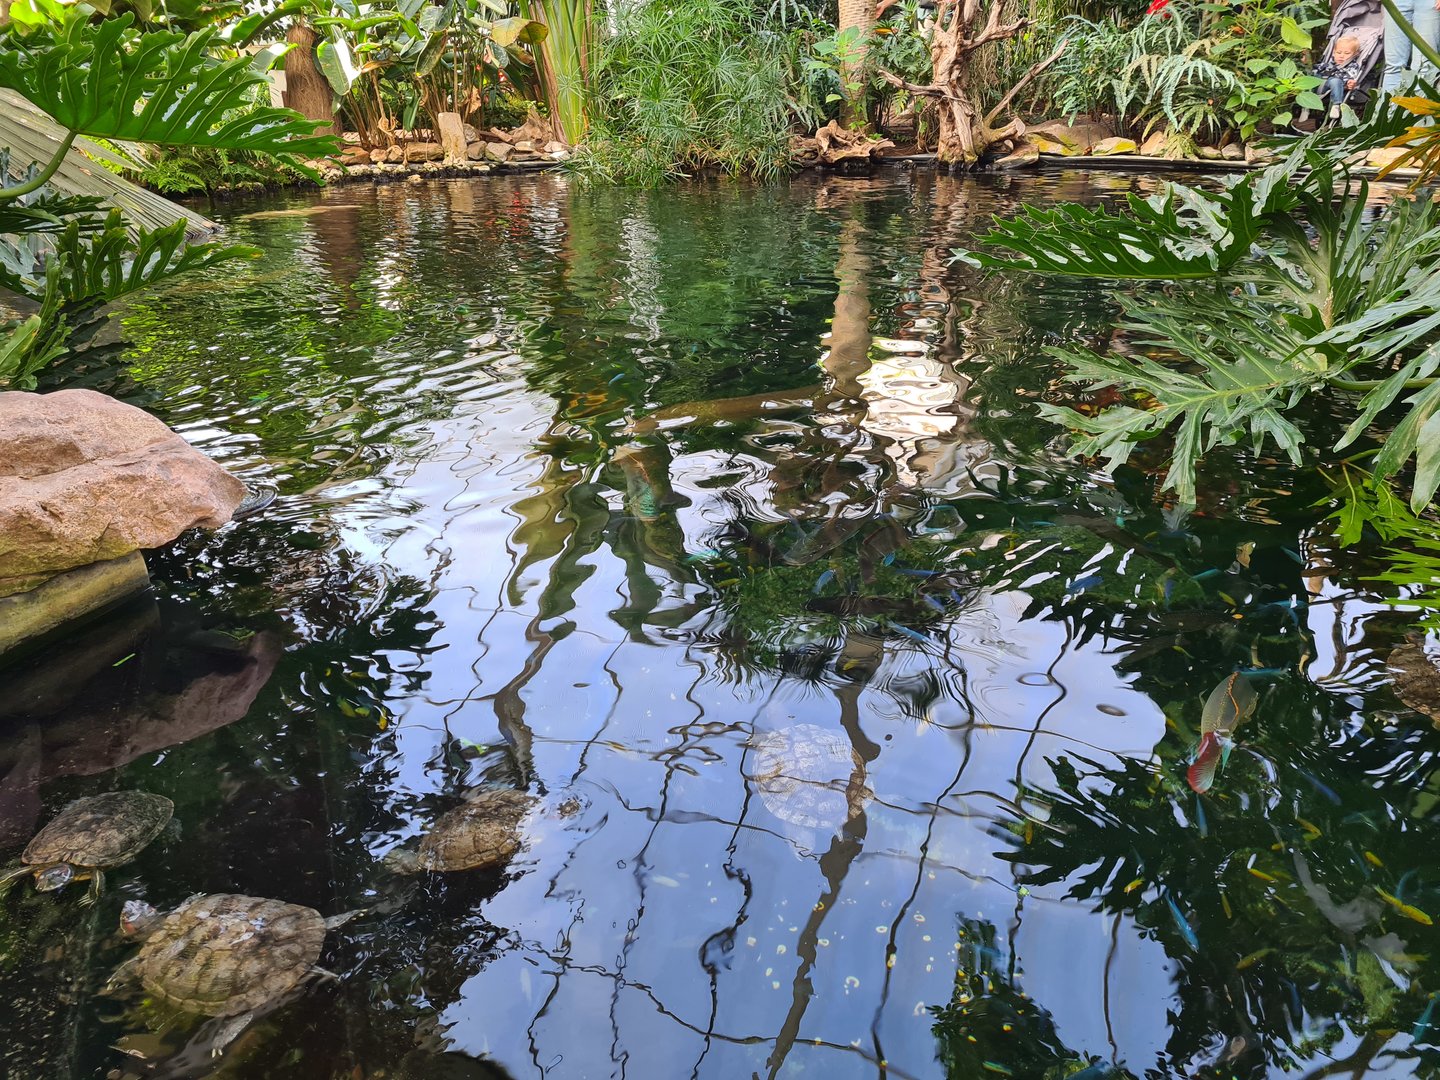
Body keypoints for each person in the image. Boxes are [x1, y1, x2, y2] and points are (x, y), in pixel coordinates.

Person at [1382, 0, 1440, 94]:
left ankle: (1418, 108)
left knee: (1425, 66)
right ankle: (1389, 107)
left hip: (1430, 3)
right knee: (1393, 66)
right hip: (1396, 2)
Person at [1315, 35, 1365, 119]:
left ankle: (1336, 105)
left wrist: (1350, 83)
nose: (1341, 56)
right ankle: (1305, 108)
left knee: (1336, 81)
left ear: (1356, 54)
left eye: (1347, 53)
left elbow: (1351, 76)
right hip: (1322, 83)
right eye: (1338, 52)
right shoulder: (1330, 62)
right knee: (1311, 77)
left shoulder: (1352, 66)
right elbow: (1318, 68)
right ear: (1334, 52)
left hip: (1336, 86)